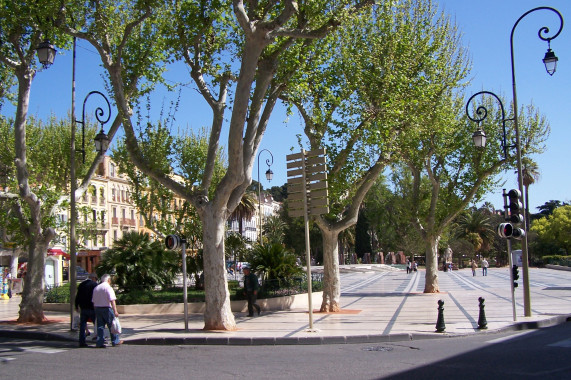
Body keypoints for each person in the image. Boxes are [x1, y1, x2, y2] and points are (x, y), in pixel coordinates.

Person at [92, 274, 122, 347]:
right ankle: (115, 340)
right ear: (109, 280)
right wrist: (115, 311)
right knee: (112, 325)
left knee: (100, 326)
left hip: (98, 308)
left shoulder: (96, 288)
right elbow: (112, 300)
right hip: (106, 308)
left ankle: (100, 342)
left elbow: (93, 301)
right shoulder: (108, 288)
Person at [75, 273, 98, 347]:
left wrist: (76, 306)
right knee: (96, 324)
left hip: (83, 308)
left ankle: (82, 341)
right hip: (92, 307)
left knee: (83, 325)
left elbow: (77, 296)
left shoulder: (81, 284)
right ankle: (98, 338)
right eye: (96, 279)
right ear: (93, 278)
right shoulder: (94, 285)